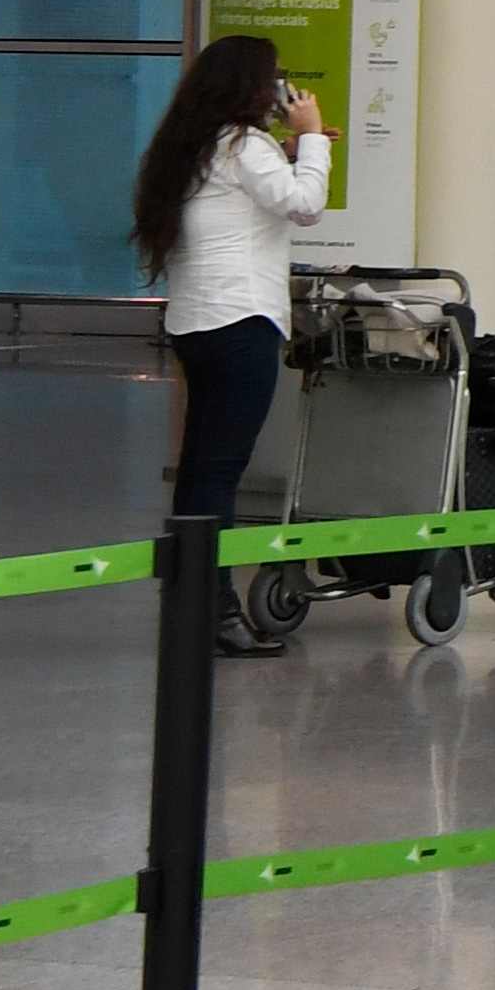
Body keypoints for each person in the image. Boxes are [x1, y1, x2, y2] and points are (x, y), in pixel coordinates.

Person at [132, 35, 329, 657]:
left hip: (197, 322)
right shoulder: (245, 144)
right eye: (276, 80)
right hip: (243, 320)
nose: (282, 91)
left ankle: (190, 601)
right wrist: (315, 138)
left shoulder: (195, 144)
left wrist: (293, 151)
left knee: (200, 466)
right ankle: (215, 610)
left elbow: (256, 201)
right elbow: (306, 205)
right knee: (221, 472)